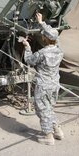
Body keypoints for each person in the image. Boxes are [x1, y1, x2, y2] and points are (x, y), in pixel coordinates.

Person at [20, 12, 64, 145]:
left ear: (44, 39)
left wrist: (27, 47)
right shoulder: (59, 50)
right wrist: (41, 23)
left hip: (43, 85)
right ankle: (57, 130)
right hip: (54, 84)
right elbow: (54, 36)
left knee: (42, 110)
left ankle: (48, 136)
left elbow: (29, 60)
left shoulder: (42, 53)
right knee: (49, 108)